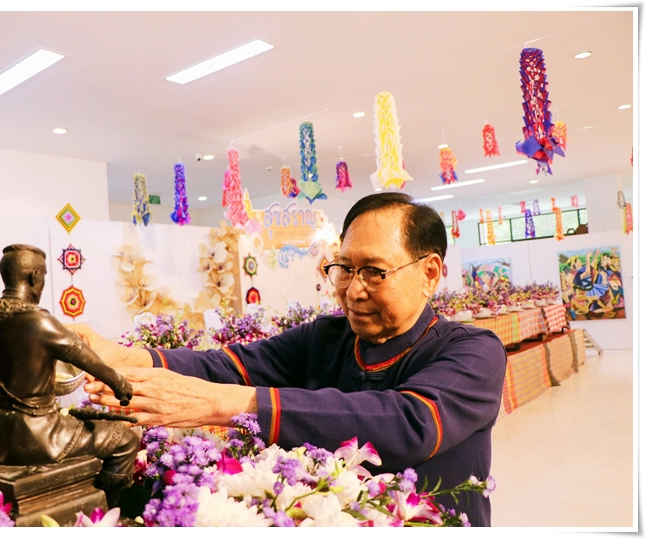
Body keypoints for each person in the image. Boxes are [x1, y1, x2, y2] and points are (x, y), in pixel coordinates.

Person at [76, 192, 507, 526]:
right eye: (345, 268)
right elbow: (228, 366)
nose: (353, 290)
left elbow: (410, 423)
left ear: (429, 273)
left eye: (375, 272)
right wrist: (123, 357)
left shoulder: (474, 350)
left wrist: (225, 403)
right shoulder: (325, 338)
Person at [0, 244, 140, 508]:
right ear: (34, 277)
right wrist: (120, 384)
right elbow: (86, 357)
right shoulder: (38, 321)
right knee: (125, 440)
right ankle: (105, 516)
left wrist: (5, 416)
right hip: (43, 436)